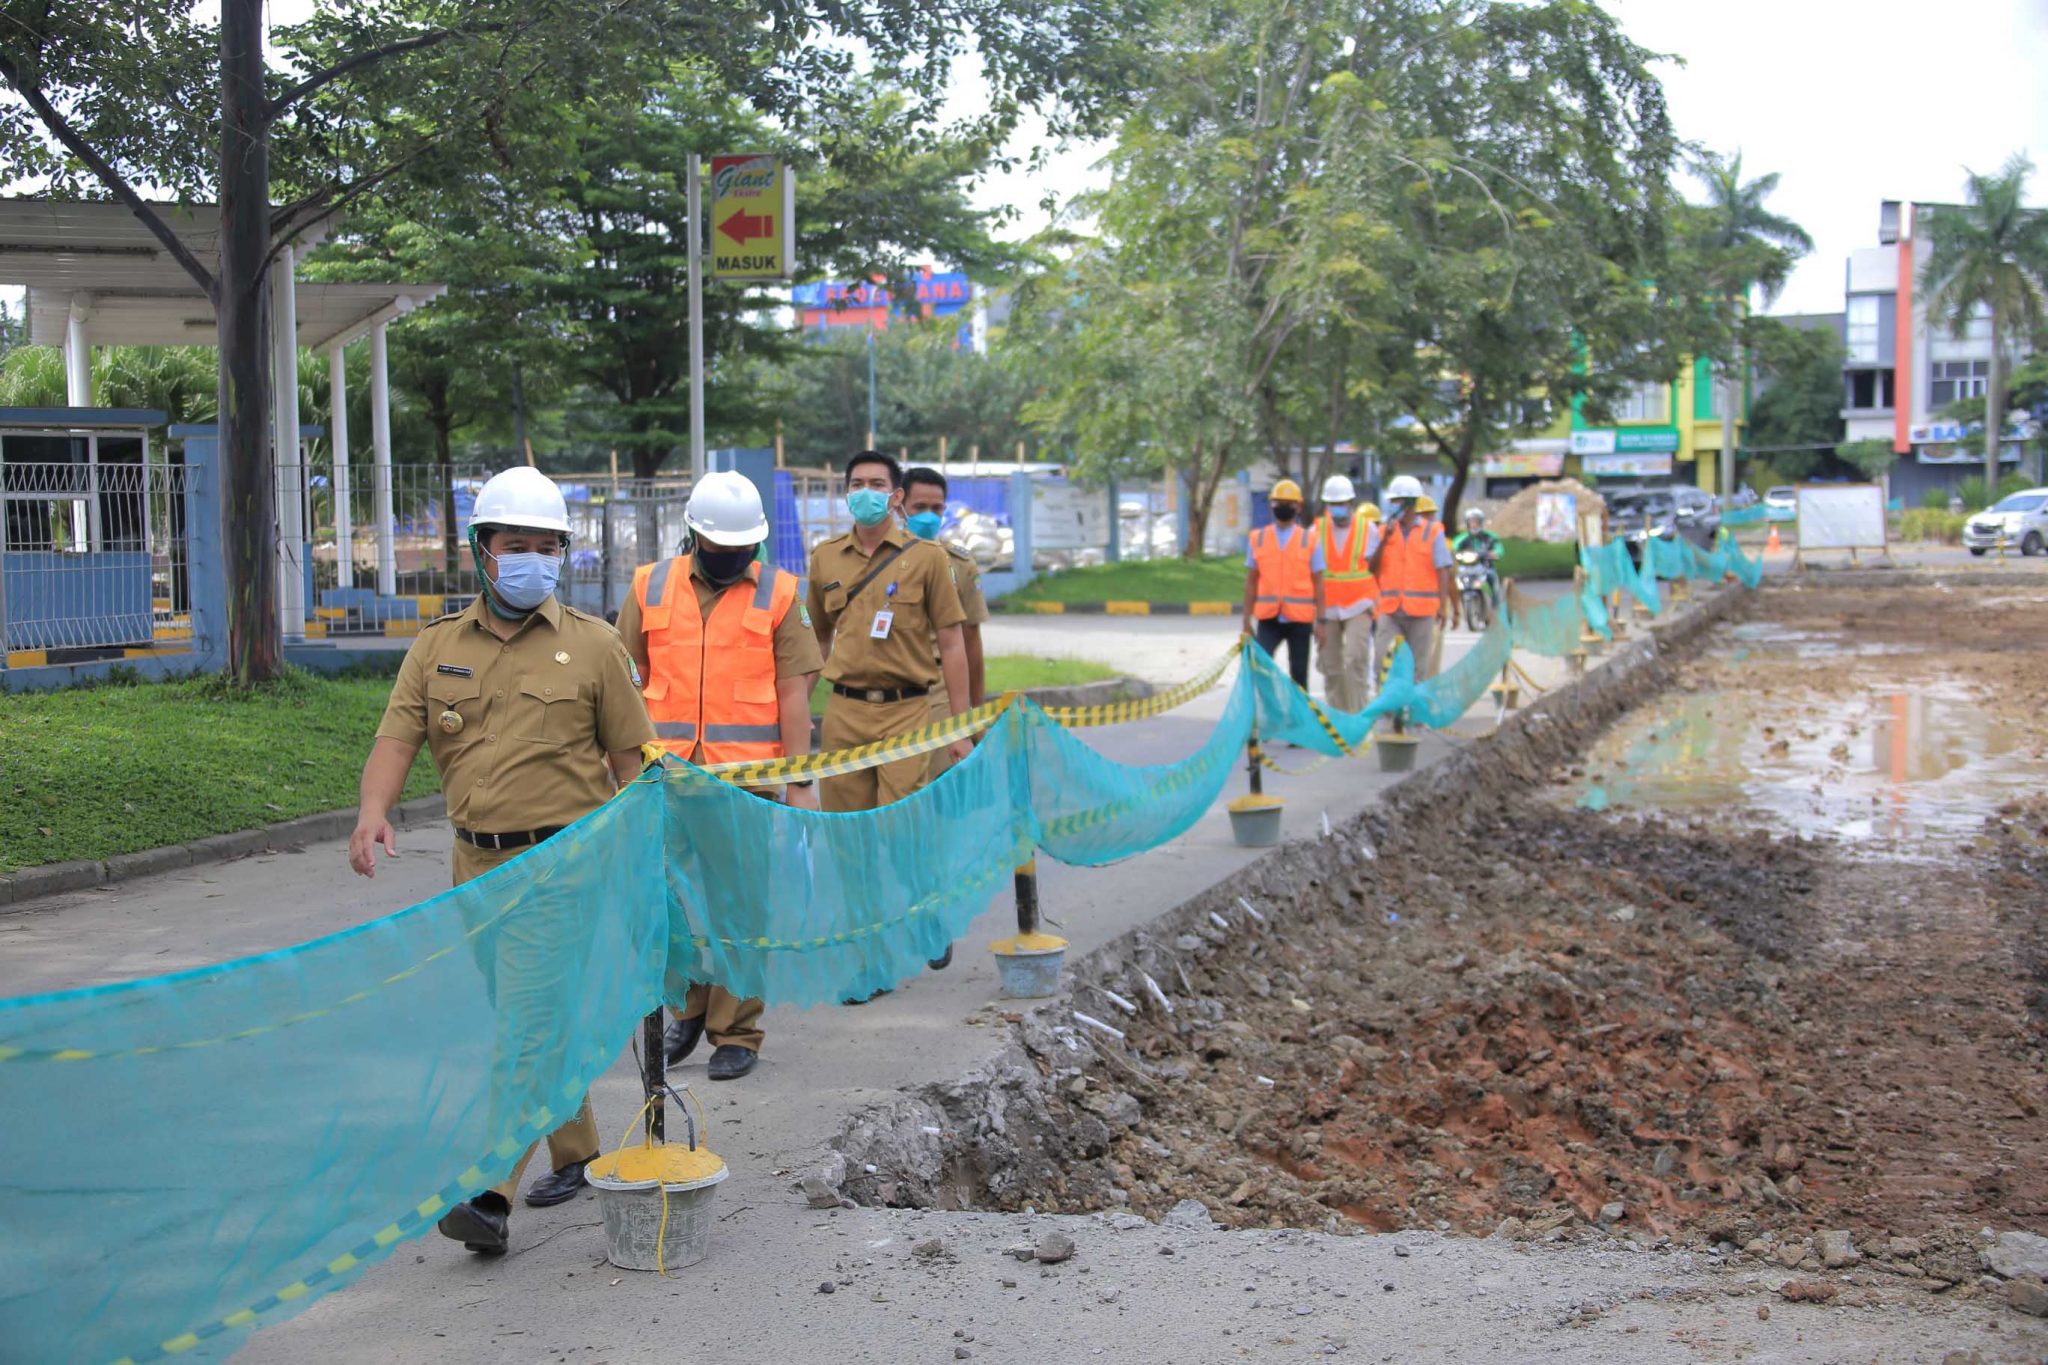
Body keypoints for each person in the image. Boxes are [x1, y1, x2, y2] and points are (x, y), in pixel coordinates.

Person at [348, 466, 656, 1255]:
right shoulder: (437, 647)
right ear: (482, 551)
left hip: (565, 865)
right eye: (515, 544)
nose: (532, 559)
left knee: (525, 1022)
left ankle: (488, 1191)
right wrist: (373, 812)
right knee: (527, 1018)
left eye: (547, 546)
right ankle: (580, 1151)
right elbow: (398, 737)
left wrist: (642, 859)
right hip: (475, 867)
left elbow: (632, 763)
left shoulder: (595, 646)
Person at [616, 471, 821, 1083]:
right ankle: (686, 1012)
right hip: (666, 776)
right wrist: (620, 767)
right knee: (673, 903)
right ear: (694, 535)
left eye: (743, 549)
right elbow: (625, 680)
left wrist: (801, 780)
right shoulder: (650, 585)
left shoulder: (780, 593)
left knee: (738, 907)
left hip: (745, 781)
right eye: (721, 547)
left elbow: (794, 694)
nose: (733, 558)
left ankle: (736, 1031)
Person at [808, 451, 973, 999]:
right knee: (850, 840)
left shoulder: (927, 559)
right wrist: (790, 719)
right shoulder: (825, 558)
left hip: (908, 712)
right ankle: (868, 959)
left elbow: (952, 642)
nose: (867, 492)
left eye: (877, 484)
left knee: (900, 827)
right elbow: (818, 642)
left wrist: (959, 727)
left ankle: (926, 906)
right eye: (857, 483)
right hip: (845, 712)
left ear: (896, 495)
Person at [1367, 475, 1456, 682]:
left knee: (1418, 667)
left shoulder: (1432, 532)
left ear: (1409, 503)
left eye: (1397, 501)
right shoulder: (1382, 532)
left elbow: (1443, 570)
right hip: (1390, 609)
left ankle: (1412, 711)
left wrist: (1441, 606)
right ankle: (1387, 711)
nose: (1392, 506)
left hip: (1422, 611)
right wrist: (1385, 540)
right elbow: (1371, 568)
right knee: (1382, 662)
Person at [1240, 478, 1326, 690]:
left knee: (1299, 674)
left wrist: (1321, 622)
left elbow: (1319, 585)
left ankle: (1300, 720)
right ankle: (1270, 714)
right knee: (1261, 667)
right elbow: (1251, 582)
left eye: (1289, 503)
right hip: (1269, 618)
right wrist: (1246, 620)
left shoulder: (1310, 540)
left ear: (1298, 506)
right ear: (1271, 505)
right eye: (1279, 502)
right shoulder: (1258, 538)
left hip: (1300, 619)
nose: (1283, 507)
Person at [1310, 475, 1379, 713]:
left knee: (1355, 659)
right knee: (1331, 667)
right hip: (1327, 608)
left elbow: (1377, 567)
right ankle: (1339, 717)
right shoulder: (1316, 530)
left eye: (1341, 504)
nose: (1337, 509)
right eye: (1332, 504)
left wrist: (1376, 601)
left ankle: (1359, 716)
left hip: (1359, 605)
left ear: (1351, 503)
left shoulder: (1367, 529)